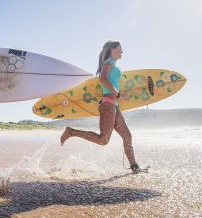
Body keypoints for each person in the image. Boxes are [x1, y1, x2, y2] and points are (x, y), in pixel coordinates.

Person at [60, 40, 145, 173]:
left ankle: (134, 167)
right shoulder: (108, 63)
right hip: (107, 105)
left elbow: (109, 80)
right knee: (103, 140)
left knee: (127, 136)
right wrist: (117, 94)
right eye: (120, 49)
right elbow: (102, 79)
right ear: (112, 49)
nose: (122, 51)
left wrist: (119, 96)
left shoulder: (114, 65)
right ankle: (71, 132)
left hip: (114, 106)